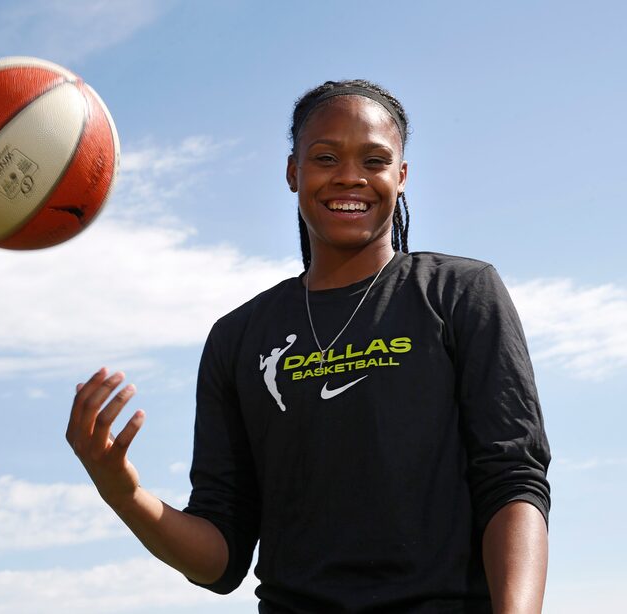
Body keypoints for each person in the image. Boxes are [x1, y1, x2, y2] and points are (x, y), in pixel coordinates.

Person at [66, 79, 551, 613]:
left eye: (374, 160)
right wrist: (124, 493)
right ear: (293, 173)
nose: (350, 177)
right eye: (325, 157)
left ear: (402, 177)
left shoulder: (461, 293)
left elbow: (512, 482)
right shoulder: (238, 337)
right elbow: (220, 560)